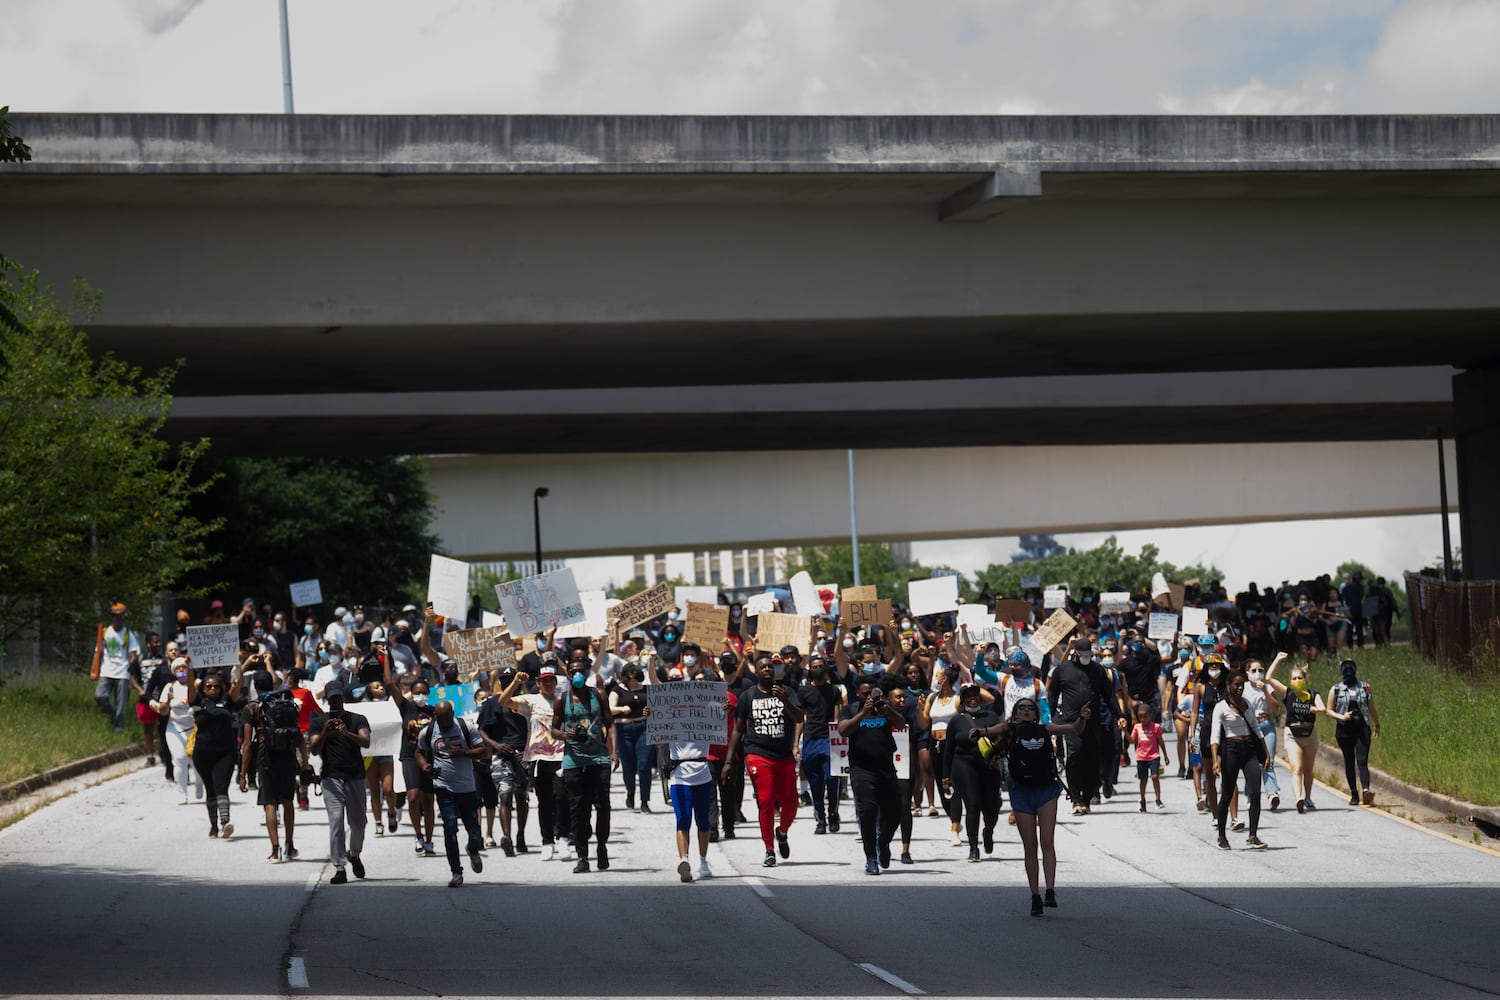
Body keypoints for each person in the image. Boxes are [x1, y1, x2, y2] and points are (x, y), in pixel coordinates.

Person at [983, 697, 1090, 915]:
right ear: (1015, 713)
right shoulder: (1009, 729)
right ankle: (1035, 896)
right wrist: (978, 732)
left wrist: (1082, 717)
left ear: (1036, 713)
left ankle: (1050, 890)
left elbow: (1074, 728)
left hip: (1046, 790)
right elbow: (990, 730)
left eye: (1030, 708)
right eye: (1021, 708)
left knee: (1047, 842)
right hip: (1021, 792)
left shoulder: (1045, 728)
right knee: (1030, 847)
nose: (1026, 711)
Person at [724, 653, 805, 868]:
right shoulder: (748, 695)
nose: (768, 670)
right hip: (757, 754)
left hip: (784, 756)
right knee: (766, 800)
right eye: (763, 667)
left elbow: (798, 718)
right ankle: (769, 849)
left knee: (790, 804)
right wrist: (729, 761)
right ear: (756, 672)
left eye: (770, 667)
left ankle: (782, 832)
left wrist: (784, 700)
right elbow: (737, 730)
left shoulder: (788, 691)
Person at [837, 675, 907, 875]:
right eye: (865, 694)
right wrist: (864, 712)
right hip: (862, 770)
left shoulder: (884, 709)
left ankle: (883, 842)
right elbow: (843, 730)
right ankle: (871, 858)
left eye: (872, 694)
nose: (869, 697)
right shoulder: (850, 710)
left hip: (886, 769)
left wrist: (887, 711)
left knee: (895, 812)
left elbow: (901, 724)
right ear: (858, 694)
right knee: (867, 812)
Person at [552, 654, 614, 874]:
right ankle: (582, 857)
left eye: (581, 670)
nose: (577, 674)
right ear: (567, 674)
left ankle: (602, 847)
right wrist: (567, 735)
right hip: (573, 761)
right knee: (579, 810)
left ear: (587, 672)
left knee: (603, 807)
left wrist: (612, 753)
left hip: (599, 759)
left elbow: (610, 723)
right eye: (572, 671)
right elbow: (554, 729)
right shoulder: (562, 700)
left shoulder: (599, 695)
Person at [416, 699, 487, 888]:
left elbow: (483, 751)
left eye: (447, 719)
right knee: (449, 829)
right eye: (440, 719)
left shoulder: (466, 727)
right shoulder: (428, 731)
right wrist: (425, 766)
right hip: (443, 787)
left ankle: (473, 850)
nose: (444, 723)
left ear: (452, 714)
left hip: (467, 788)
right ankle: (456, 872)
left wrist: (464, 753)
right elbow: (419, 752)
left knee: (474, 832)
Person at [309, 681, 371, 884]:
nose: (335, 701)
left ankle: (354, 853)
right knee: (336, 821)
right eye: (332, 698)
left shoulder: (357, 719)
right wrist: (326, 731)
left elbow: (366, 741)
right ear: (327, 699)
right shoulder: (319, 722)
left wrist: (346, 733)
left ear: (343, 698)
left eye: (338, 697)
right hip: (331, 777)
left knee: (359, 822)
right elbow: (314, 749)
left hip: (355, 776)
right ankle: (340, 867)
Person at [507, 659, 569, 860]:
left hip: (562, 756)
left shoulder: (564, 701)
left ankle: (564, 839)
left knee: (561, 798)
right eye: (544, 680)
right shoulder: (530, 701)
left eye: (551, 680)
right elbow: (504, 702)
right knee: (545, 801)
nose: (548, 683)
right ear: (538, 682)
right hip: (539, 758)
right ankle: (547, 842)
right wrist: (516, 682)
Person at [239, 688, 308, 862]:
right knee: (288, 801)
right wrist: (305, 764)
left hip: (266, 757)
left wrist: (243, 774)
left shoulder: (252, 709)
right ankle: (290, 846)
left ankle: (275, 850)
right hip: (288, 756)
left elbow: (247, 744)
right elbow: (299, 737)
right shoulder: (288, 705)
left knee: (269, 802)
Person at [942, 683, 1003, 863]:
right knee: (973, 805)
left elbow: (1003, 739)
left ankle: (988, 830)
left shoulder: (991, 717)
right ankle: (973, 847)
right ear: (963, 701)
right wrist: (946, 777)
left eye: (975, 696)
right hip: (964, 766)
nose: (973, 699)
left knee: (992, 806)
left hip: (989, 767)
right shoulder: (956, 721)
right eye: (968, 696)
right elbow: (948, 750)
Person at [1211, 671, 1269, 851]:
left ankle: (1253, 836)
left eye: (1241, 685)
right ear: (1228, 686)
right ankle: (1221, 835)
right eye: (1236, 685)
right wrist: (1215, 760)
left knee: (1255, 792)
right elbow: (1215, 736)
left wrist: (1266, 754)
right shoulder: (1220, 707)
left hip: (1249, 750)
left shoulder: (1248, 704)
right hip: (1231, 749)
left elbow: (1257, 730)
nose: (1239, 688)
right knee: (1227, 793)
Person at [385, 654, 436, 856]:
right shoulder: (407, 707)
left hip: (431, 758)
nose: (420, 696)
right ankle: (418, 836)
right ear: (411, 693)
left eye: (423, 692)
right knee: (413, 797)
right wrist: (385, 658)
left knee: (429, 800)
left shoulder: (435, 711)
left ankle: (430, 840)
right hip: (409, 756)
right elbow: (389, 683)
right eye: (417, 692)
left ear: (429, 693)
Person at [667, 691, 720, 883]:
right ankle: (684, 861)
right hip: (679, 777)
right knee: (683, 819)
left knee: (703, 821)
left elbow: (720, 723)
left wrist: (724, 711)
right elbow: (657, 732)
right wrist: (651, 716)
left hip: (702, 775)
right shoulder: (670, 722)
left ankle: (703, 862)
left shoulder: (705, 720)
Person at [184, 664, 242, 838]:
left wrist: (239, 664)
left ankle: (225, 822)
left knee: (221, 786)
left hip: (225, 752)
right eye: (208, 686)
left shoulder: (227, 701)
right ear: (203, 688)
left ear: (221, 688)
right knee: (210, 789)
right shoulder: (197, 702)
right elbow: (189, 684)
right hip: (203, 754)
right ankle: (213, 826)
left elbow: (237, 683)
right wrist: (189, 667)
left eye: (216, 686)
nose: (212, 689)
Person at [479, 668, 530, 856]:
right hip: (501, 755)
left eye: (512, 679)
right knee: (505, 795)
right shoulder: (491, 703)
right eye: (505, 679)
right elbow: (482, 730)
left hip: (523, 755)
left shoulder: (526, 701)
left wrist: (527, 750)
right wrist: (495, 745)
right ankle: (506, 836)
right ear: (499, 682)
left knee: (521, 797)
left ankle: (521, 835)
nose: (508, 682)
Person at [798, 655, 843, 835]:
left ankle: (833, 812)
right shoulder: (803, 691)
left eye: (820, 666)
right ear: (809, 670)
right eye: (814, 666)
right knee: (815, 782)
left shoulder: (833, 691)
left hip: (829, 739)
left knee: (832, 779)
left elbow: (837, 718)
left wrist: (840, 741)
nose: (817, 668)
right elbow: (800, 719)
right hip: (810, 739)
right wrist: (795, 743)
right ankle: (820, 818)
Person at [919, 664, 964, 845]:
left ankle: (955, 828)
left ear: (945, 679)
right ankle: (954, 819)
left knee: (953, 785)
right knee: (941, 786)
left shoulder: (958, 699)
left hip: (952, 746)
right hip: (935, 745)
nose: (935, 677)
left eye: (938, 675)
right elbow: (923, 724)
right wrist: (920, 708)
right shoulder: (933, 697)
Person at [1328, 658, 1381, 806]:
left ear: (1355, 669)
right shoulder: (1336, 689)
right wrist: (1341, 716)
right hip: (1344, 729)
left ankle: (1365, 791)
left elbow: (1371, 706)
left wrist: (1377, 724)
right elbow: (1328, 710)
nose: (1348, 668)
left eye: (1351, 666)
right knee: (1349, 761)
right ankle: (1354, 794)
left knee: (1362, 760)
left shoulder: (1365, 687)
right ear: (1341, 670)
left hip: (1362, 728)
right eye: (1345, 666)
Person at [155, 657, 203, 804]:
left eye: (184, 667)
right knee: (180, 759)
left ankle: (200, 784)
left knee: (197, 761)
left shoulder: (197, 684)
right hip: (175, 728)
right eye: (178, 668)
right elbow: (162, 711)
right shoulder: (169, 687)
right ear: (174, 671)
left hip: (194, 728)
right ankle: (182, 792)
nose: (182, 670)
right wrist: (168, 701)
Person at [609, 664, 655, 813]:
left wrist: (650, 711)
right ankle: (630, 791)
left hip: (643, 727)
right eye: (632, 672)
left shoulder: (645, 689)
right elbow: (610, 708)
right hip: (624, 730)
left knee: (644, 765)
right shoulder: (617, 690)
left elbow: (656, 706)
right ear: (627, 674)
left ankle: (645, 801)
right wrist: (622, 709)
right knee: (628, 766)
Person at [359, 675, 400, 838]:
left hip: (385, 750)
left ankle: (391, 810)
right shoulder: (363, 707)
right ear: (369, 691)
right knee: (374, 790)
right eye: (376, 687)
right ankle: (378, 822)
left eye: (381, 686)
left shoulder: (390, 705)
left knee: (388, 789)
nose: (381, 689)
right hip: (370, 753)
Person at [93, 602, 141, 734]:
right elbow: (99, 653)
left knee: (121, 704)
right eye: (114, 616)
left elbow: (133, 655)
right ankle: (111, 715)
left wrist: (133, 675)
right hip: (106, 671)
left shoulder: (128, 634)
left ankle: (119, 727)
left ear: (124, 616)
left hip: (122, 673)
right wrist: (94, 670)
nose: (117, 618)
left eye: (119, 616)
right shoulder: (104, 633)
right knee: (99, 696)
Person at [1243, 656, 1284, 811]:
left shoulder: (1267, 687)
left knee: (1269, 760)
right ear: (1247, 673)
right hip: (1251, 727)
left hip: (1266, 725)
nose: (1257, 673)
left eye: (1260, 670)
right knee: (1252, 763)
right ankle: (1250, 794)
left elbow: (1274, 708)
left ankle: (1272, 793)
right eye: (1254, 670)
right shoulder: (1244, 688)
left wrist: (1265, 690)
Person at [129, 632, 169, 768]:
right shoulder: (140, 660)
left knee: (163, 727)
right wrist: (140, 690)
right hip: (146, 699)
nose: (158, 644)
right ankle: (150, 755)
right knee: (148, 728)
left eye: (159, 642)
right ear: (148, 644)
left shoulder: (164, 660)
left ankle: (164, 752)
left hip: (162, 698)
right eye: (155, 642)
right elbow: (132, 678)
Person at [1128, 703, 1168, 812]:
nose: (1142, 719)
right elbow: (1132, 740)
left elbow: (1160, 742)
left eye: (1145, 717)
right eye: (1140, 717)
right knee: (1143, 780)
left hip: (1154, 756)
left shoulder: (1155, 727)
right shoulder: (1137, 727)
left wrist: (1165, 755)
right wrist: (1124, 731)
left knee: (1155, 776)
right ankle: (1142, 800)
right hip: (1141, 758)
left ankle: (1158, 799)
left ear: (1150, 716)